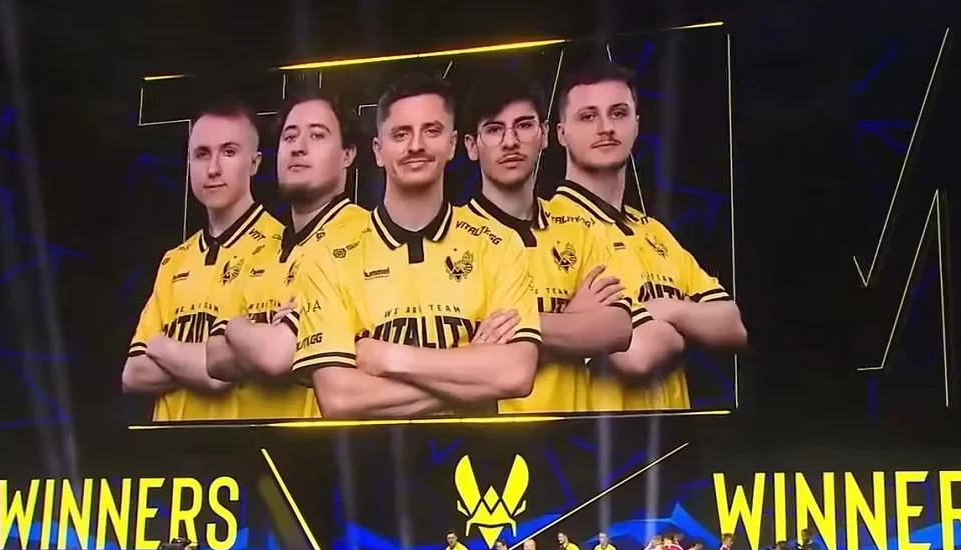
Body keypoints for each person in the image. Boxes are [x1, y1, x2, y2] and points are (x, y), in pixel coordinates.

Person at [290, 73, 541, 419]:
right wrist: (473, 373)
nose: (416, 146)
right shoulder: (328, 256)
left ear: (452, 144)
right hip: (370, 454)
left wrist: (389, 358)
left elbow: (515, 374)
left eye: (431, 131)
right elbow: (339, 398)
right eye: (401, 134)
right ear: (378, 151)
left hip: (474, 452)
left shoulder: (498, 244)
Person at [545, 62, 748, 411]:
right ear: (561, 133)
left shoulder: (654, 232)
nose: (606, 128)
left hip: (674, 436)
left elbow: (733, 326)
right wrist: (690, 323)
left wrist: (664, 309)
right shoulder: (548, 228)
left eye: (619, 113)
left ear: (636, 123)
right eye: (588, 116)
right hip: (596, 439)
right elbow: (637, 355)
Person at [462, 70, 635, 413]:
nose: (510, 141)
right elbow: (452, 362)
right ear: (470, 146)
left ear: (543, 135)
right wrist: (575, 318)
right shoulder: (453, 236)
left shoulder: (579, 229)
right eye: (494, 129)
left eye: (524, 125)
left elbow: (618, 329)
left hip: (574, 435)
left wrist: (509, 333)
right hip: (490, 437)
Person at [205, 89, 371, 420]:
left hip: (324, 443)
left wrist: (236, 329)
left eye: (317, 135)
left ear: (348, 154)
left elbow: (278, 355)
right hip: (251, 443)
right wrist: (258, 335)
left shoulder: (365, 236)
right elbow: (213, 358)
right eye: (289, 136)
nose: (298, 147)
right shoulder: (259, 248)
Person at [124, 100, 285, 421]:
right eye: (201, 154)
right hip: (173, 446)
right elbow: (133, 374)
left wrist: (162, 347)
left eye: (228, 152)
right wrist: (208, 363)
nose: (212, 169)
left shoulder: (285, 248)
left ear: (254, 163)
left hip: (245, 443)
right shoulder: (174, 261)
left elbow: (220, 375)